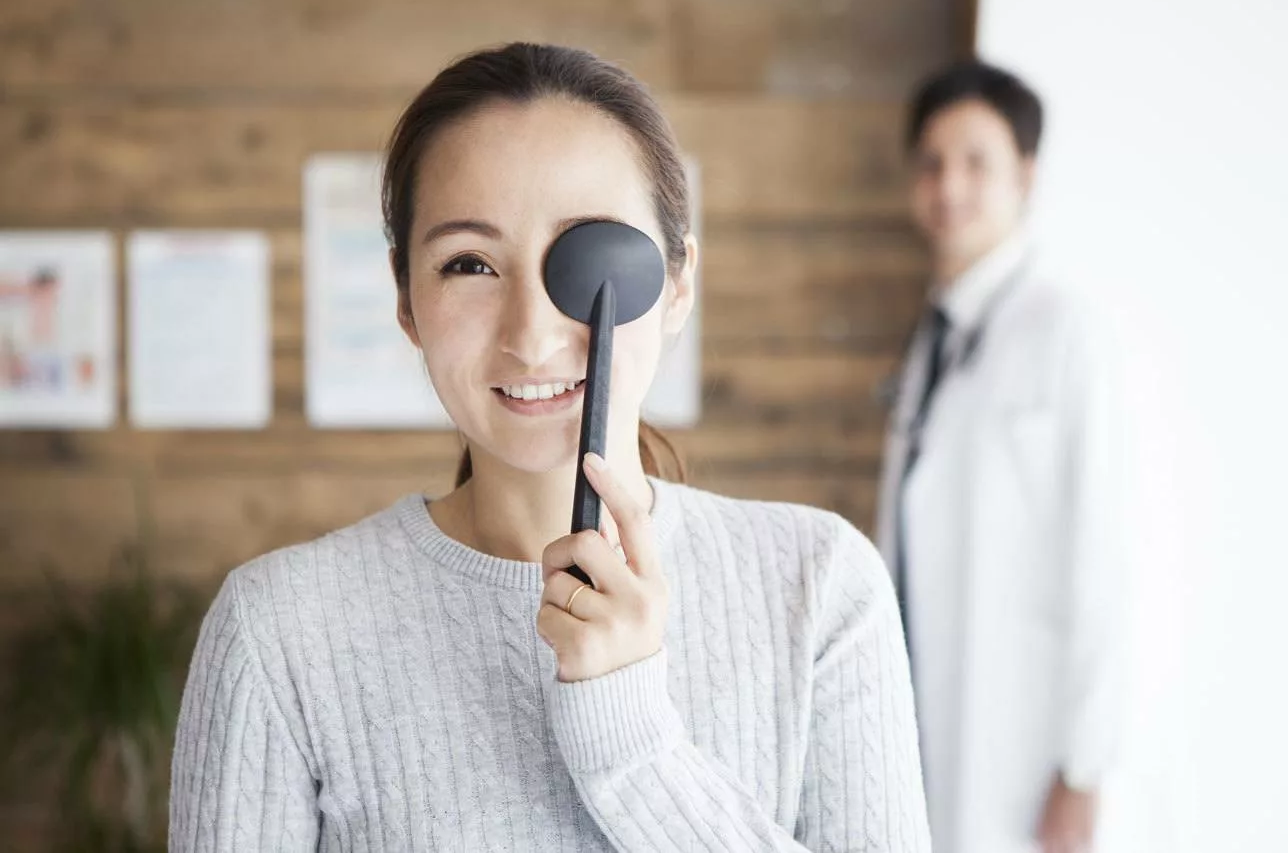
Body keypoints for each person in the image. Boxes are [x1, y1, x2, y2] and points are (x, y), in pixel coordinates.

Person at [169, 42, 930, 852]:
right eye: (469, 264)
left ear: (678, 285)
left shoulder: (817, 588)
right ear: (405, 301)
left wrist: (629, 736)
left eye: (587, 257)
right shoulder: (280, 632)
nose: (531, 337)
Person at [876, 61, 1127, 853]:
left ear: (1025, 174)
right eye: (932, 163)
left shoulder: (1068, 330)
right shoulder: (935, 339)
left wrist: (1084, 767)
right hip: (936, 731)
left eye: (975, 162)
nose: (948, 185)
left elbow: (1111, 556)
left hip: (1029, 756)